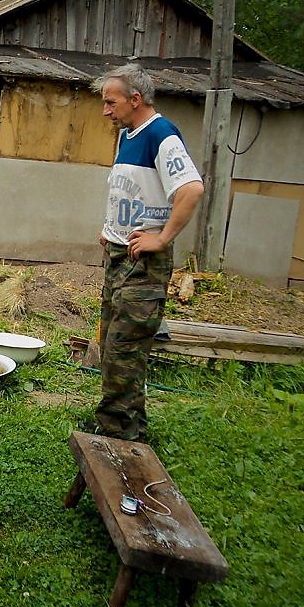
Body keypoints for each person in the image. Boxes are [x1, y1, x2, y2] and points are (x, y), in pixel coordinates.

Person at [82, 63, 204, 442]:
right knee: (112, 343)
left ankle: (123, 434)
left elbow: (191, 189)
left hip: (144, 264)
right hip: (119, 256)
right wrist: (110, 230)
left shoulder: (162, 135)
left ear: (136, 99)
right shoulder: (128, 136)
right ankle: (118, 422)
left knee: (124, 347)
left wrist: (162, 238)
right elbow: (130, 191)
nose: (105, 110)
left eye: (110, 102)